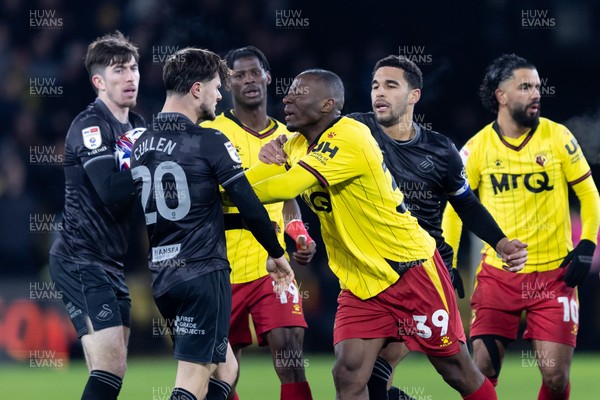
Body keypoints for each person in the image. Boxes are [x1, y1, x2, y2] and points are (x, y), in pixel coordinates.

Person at [259, 55, 528, 400]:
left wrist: (500, 242)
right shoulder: (349, 130)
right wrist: (278, 144)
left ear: (414, 95)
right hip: (366, 274)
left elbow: (466, 205)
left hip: (418, 270)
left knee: (454, 369)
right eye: (374, 85)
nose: (379, 93)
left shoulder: (440, 150)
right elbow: (302, 144)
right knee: (353, 376)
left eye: (390, 85)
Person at [130, 47, 294, 400]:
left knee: (227, 369)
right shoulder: (209, 140)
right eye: (217, 86)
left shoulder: (140, 144)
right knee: (191, 380)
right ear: (196, 89)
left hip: (162, 276)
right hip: (203, 274)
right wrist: (277, 251)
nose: (221, 94)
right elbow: (249, 205)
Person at [442, 54, 600, 400]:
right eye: (525, 86)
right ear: (501, 95)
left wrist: (587, 244)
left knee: (556, 377)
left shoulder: (558, 137)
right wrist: (449, 258)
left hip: (553, 275)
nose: (536, 94)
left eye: (538, 87)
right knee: (481, 369)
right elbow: (456, 208)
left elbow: (589, 194)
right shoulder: (478, 147)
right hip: (499, 276)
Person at [201, 46, 315, 400]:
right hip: (223, 267)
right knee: (223, 372)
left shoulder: (291, 136)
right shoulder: (211, 133)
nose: (249, 79)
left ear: (268, 77)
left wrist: (298, 232)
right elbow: (215, 195)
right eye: (239, 74)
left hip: (273, 263)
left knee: (291, 351)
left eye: (255, 72)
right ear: (227, 83)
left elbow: (290, 198)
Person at [48, 31, 145, 400]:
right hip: (80, 257)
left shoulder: (135, 126)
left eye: (134, 68)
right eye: (119, 70)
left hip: (109, 261)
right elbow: (109, 188)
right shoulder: (90, 125)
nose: (130, 77)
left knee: (109, 367)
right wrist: (150, 164)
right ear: (98, 81)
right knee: (111, 365)